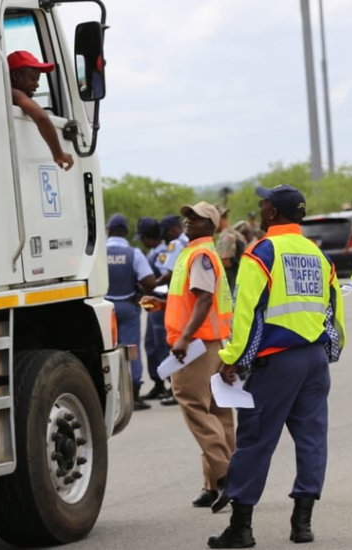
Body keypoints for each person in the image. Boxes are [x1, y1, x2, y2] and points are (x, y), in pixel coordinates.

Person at [208, 184, 346, 549]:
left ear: (273, 213)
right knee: (312, 439)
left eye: (263, 202)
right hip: (315, 362)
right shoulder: (319, 255)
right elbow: (334, 313)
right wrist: (329, 352)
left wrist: (233, 359)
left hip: (277, 361)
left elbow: (247, 312)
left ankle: (241, 528)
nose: (260, 206)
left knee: (255, 440)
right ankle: (303, 524)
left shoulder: (261, 253)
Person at [143, 202, 235, 511]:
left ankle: (225, 478)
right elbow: (192, 297)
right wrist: (162, 305)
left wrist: (183, 338)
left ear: (209, 224)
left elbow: (205, 299)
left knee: (194, 406)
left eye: (195, 218)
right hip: (213, 342)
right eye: (187, 216)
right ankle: (215, 483)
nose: (187, 221)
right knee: (217, 411)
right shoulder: (196, 252)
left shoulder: (199, 255)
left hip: (197, 345)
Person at [105, 214, 156, 411]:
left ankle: (107, 394)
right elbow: (150, 282)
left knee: (106, 350)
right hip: (127, 306)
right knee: (131, 348)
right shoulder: (133, 253)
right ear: (126, 232)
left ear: (109, 230)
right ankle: (134, 395)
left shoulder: (98, 252)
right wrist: (140, 293)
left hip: (104, 307)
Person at [8, 50, 74, 171]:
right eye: (33, 79)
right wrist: (58, 154)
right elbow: (41, 117)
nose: (37, 85)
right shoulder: (15, 93)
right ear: (15, 76)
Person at [136, 217, 172, 400]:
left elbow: (168, 280)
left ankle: (172, 385)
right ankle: (158, 383)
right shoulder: (153, 252)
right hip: (153, 304)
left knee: (163, 344)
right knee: (151, 344)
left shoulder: (162, 254)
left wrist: (151, 287)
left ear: (148, 237)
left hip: (161, 303)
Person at [156, 214, 189, 406]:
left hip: (177, 300)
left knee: (175, 344)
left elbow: (168, 274)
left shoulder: (176, 244)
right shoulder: (191, 241)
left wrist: (153, 285)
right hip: (189, 299)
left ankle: (175, 389)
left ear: (172, 230)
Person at [215, 205, 247, 291]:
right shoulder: (235, 234)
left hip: (232, 282)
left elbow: (226, 262)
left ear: (219, 219)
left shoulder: (226, 236)